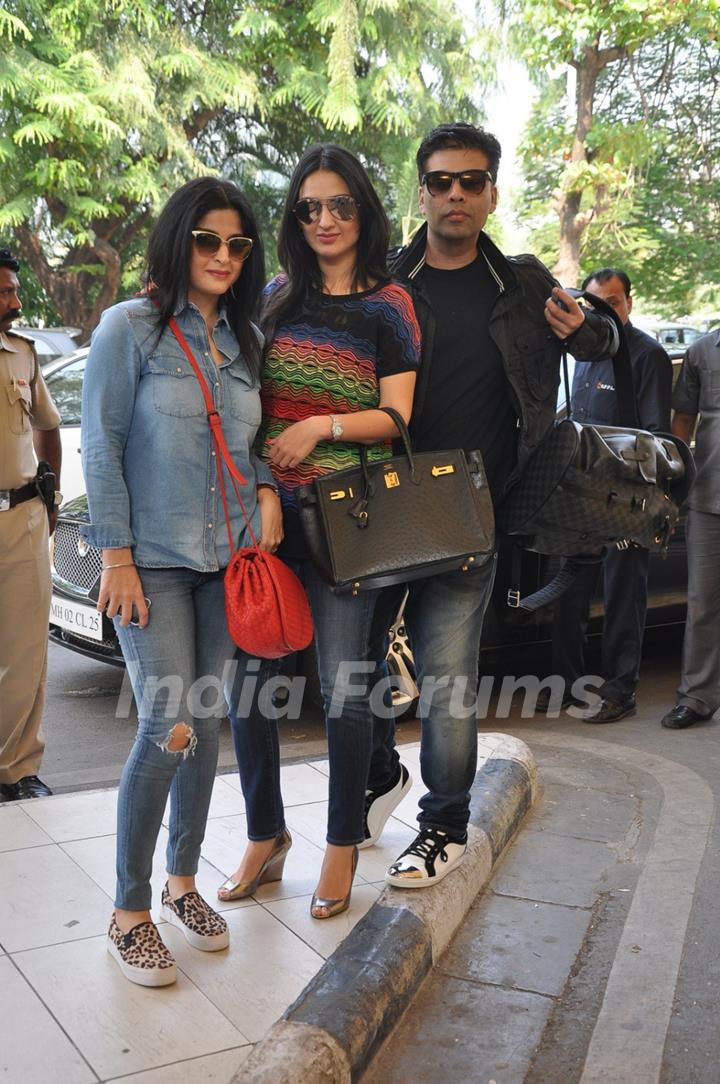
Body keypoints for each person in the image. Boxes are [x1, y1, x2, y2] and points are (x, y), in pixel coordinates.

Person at [361, 123, 618, 889]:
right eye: (441, 181)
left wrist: (589, 331)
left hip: (476, 511)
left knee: (446, 676)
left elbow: (604, 338)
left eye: (471, 181)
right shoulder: (385, 279)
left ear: (493, 194)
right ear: (423, 191)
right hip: (383, 505)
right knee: (355, 662)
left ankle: (442, 826)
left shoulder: (528, 283)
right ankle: (380, 770)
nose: (456, 194)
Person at [81, 178, 282, 986]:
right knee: (166, 726)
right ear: (179, 241)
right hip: (153, 562)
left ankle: (182, 884)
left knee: (204, 727)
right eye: (208, 240)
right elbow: (100, 445)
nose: (224, 256)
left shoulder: (245, 342)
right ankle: (128, 911)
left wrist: (266, 485)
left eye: (237, 244)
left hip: (226, 567)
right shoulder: (127, 330)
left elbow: (251, 440)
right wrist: (116, 557)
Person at [220, 144, 420, 919]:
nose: (325, 219)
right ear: (295, 218)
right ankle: (266, 836)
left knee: (343, 692)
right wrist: (268, 484)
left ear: (363, 212)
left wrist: (320, 429)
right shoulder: (271, 296)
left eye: (339, 205)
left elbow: (397, 416)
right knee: (250, 690)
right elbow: (249, 408)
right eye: (309, 207)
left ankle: (340, 846)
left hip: (348, 523)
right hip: (266, 523)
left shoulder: (389, 305)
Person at [541, 268, 673, 723]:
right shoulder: (584, 353)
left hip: (628, 499)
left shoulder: (648, 355)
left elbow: (658, 436)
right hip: (578, 496)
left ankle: (620, 691)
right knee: (569, 593)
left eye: (612, 303)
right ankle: (564, 685)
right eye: (594, 305)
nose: (603, 313)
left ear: (629, 304)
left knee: (622, 595)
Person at [0, 248, 62, 802]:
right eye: (4, 293)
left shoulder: (22, 353)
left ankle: (18, 768)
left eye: (15, 290)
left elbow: (47, 426)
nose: (15, 303)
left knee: (25, 654)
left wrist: (52, 495)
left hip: (20, 518)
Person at [660, 327, 720, 729]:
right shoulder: (702, 351)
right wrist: (674, 486)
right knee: (702, 604)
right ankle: (697, 697)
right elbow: (682, 422)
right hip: (708, 500)